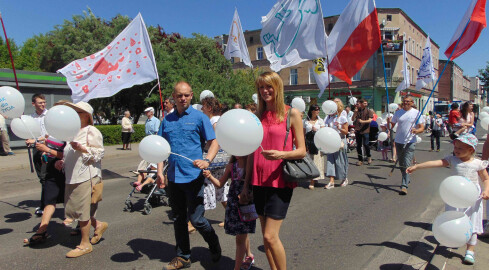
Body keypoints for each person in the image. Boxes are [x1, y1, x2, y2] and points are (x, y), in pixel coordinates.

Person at [240, 71, 306, 270]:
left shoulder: (291, 114)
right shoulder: (257, 116)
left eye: (269, 86)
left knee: (270, 235)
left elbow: (302, 151)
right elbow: (252, 153)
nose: (265, 91)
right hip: (258, 182)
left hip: (280, 180)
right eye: (261, 87)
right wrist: (245, 185)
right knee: (265, 238)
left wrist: (281, 154)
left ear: (278, 87)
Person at [156, 81, 221, 270]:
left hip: (193, 177)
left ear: (191, 95)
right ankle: (183, 256)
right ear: (173, 97)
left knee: (197, 219)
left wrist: (207, 160)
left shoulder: (200, 118)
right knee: (178, 218)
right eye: (179, 95)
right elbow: (161, 148)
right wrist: (160, 172)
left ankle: (213, 242)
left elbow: (214, 142)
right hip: (174, 177)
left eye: (186, 95)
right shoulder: (167, 120)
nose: (182, 98)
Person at [407, 133, 489, 265]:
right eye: (455, 147)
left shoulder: (478, 163)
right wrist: (418, 166)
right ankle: (455, 238)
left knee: (472, 224)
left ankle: (470, 251)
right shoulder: (452, 159)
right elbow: (436, 163)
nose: (456, 150)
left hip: (472, 198)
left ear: (471, 150)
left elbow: (485, 178)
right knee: (454, 220)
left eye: (460, 148)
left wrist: (486, 190)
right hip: (454, 197)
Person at [56, 101, 108, 258]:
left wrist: (82, 148)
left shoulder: (91, 131)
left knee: (82, 210)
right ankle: (98, 225)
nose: (73, 115)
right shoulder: (72, 132)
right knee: (76, 209)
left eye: (77, 113)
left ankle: (85, 244)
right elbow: (70, 153)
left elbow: (99, 153)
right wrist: (63, 162)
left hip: (87, 176)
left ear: (86, 116)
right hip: (72, 176)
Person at [203, 155, 256, 270]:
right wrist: (210, 176)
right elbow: (219, 184)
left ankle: (238, 266)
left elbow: (258, 185)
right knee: (241, 234)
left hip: (246, 203)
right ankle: (249, 255)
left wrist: (250, 195)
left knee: (240, 237)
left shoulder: (252, 164)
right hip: (233, 204)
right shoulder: (231, 166)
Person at [23, 134, 66, 246]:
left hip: (66, 171)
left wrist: (47, 150)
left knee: (72, 201)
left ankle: (94, 225)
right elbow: (47, 145)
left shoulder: (69, 132)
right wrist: (44, 154)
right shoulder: (51, 131)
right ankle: (42, 230)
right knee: (49, 200)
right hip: (51, 170)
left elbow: (68, 155)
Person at [202, 96, 230, 227]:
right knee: (221, 189)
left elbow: (215, 141)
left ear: (209, 108)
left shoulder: (213, 121)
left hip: (213, 160)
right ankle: (231, 215)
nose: (201, 109)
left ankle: (192, 220)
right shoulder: (222, 120)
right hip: (223, 160)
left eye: (203, 106)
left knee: (204, 188)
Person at [390, 95, 425, 195]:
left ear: (412, 103)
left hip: (410, 141)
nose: (406, 103)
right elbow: (392, 125)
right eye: (404, 101)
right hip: (399, 140)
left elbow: (422, 127)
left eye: (408, 101)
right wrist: (389, 123)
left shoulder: (417, 113)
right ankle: (406, 178)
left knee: (406, 163)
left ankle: (404, 185)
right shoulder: (398, 112)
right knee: (401, 164)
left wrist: (416, 130)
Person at [27, 93, 49, 216]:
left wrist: (35, 140)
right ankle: (47, 203)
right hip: (37, 149)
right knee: (42, 178)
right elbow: (30, 132)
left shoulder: (50, 115)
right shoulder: (31, 118)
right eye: (40, 102)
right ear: (33, 104)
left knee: (45, 177)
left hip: (47, 149)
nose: (43, 104)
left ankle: (45, 204)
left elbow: (48, 135)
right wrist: (29, 139)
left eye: (44, 102)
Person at [323, 99, 349, 189]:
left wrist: (339, 128)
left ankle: (344, 178)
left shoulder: (342, 117)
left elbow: (346, 132)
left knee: (340, 160)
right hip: (330, 141)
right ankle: (331, 181)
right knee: (330, 160)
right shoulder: (328, 117)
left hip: (340, 140)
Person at [303, 104, 325, 190]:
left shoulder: (320, 121)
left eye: (319, 109)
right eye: (316, 109)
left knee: (317, 161)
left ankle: (313, 180)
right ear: (312, 111)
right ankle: (312, 178)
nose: (318, 111)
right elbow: (303, 133)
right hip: (309, 143)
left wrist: (317, 130)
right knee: (310, 162)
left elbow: (323, 132)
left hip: (318, 144)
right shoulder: (306, 121)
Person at [352, 99, 374, 166]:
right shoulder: (357, 110)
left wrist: (363, 121)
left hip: (365, 130)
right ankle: (360, 159)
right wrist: (355, 113)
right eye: (364, 103)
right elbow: (352, 119)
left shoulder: (368, 111)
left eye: (366, 103)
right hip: (358, 130)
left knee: (366, 144)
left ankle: (369, 157)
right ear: (361, 104)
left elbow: (370, 120)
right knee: (358, 145)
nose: (366, 104)